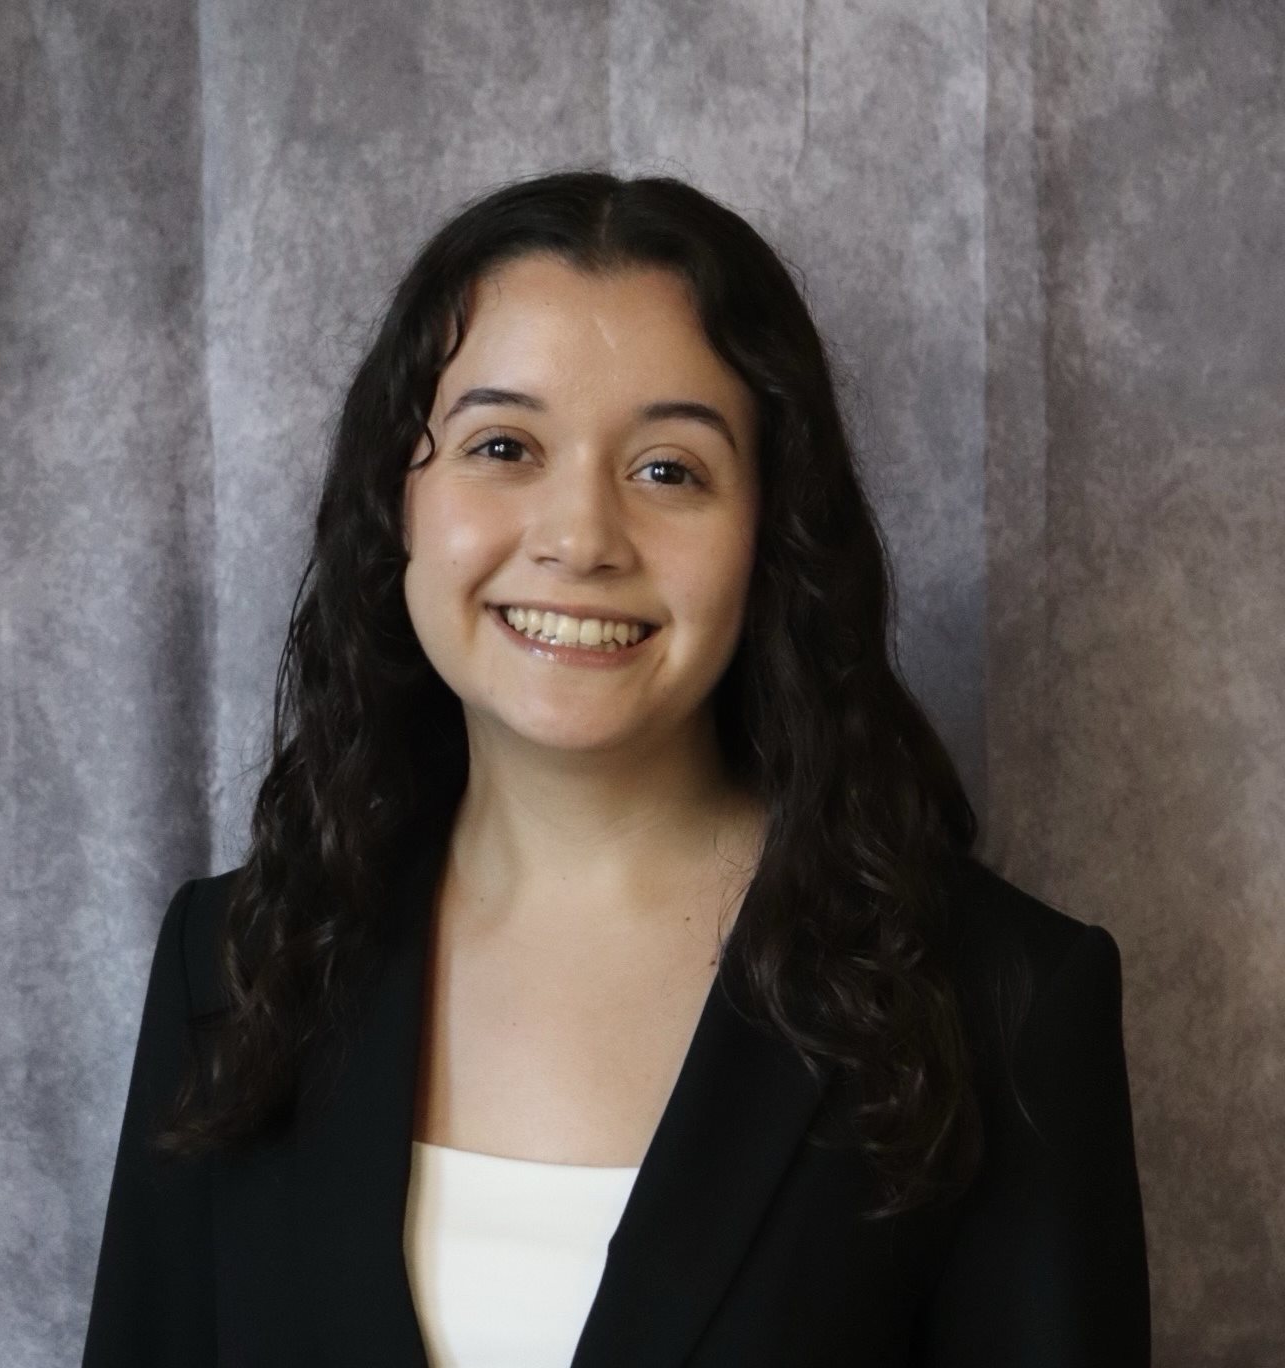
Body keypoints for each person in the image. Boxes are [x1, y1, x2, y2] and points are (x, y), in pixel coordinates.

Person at [81, 169, 1151, 1367]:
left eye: (668, 470)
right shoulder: (234, 969)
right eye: (503, 445)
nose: (582, 538)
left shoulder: (996, 1003)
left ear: (773, 535)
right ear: (398, 505)